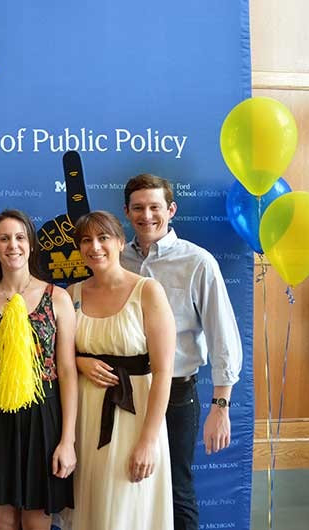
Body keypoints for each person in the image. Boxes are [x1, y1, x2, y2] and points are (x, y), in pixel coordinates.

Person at [121, 174, 242, 530]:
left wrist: (221, 406)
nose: (147, 216)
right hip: (122, 389)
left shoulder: (198, 262)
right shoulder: (115, 260)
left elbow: (223, 335)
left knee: (177, 488)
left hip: (176, 392)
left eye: (155, 207)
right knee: (127, 484)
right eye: (138, 208)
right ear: (127, 212)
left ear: (171, 209)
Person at [0, 209, 77, 530]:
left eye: (19, 237)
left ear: (31, 244)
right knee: (2, 521)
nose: (12, 245)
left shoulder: (57, 297)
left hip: (43, 416)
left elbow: (67, 370)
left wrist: (67, 440)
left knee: (36, 522)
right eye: (4, 238)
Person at [65, 211, 174, 529]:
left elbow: (164, 371)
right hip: (85, 417)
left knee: (128, 508)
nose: (95, 247)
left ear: (121, 242)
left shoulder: (148, 291)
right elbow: (58, 356)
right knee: (93, 506)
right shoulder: (71, 294)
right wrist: (78, 361)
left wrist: (148, 441)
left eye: (103, 238)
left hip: (134, 417)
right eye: (86, 240)